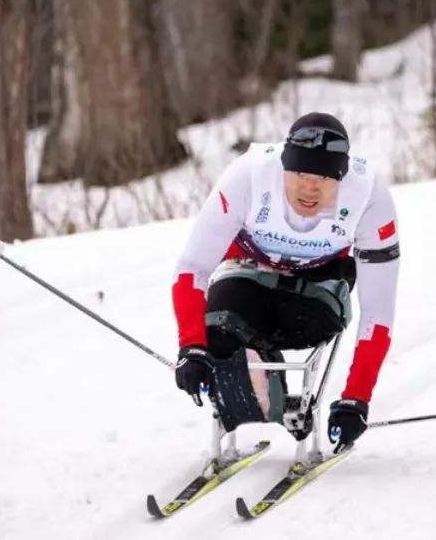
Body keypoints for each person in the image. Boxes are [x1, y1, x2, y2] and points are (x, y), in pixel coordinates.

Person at [171, 112, 399, 454]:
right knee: (216, 336)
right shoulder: (247, 177)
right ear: (283, 167)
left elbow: (378, 313)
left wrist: (357, 398)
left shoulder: (370, 199)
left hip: (315, 296)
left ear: (342, 176)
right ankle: (264, 397)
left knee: (302, 322)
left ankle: (276, 391)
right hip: (248, 275)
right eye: (302, 174)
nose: (310, 187)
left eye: (324, 178)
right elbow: (192, 267)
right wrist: (192, 347)